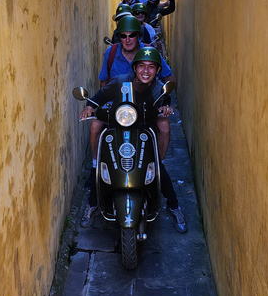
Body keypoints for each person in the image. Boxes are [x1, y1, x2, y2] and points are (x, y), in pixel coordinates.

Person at [79, 47, 187, 233]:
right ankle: (92, 204)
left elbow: (166, 99)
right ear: (134, 68)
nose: (146, 71)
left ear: (158, 70)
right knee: (104, 165)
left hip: (143, 131)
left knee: (157, 167)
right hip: (118, 129)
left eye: (151, 67)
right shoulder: (121, 81)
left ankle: (174, 205)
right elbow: (100, 97)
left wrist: (166, 108)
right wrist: (89, 107)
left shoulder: (157, 87)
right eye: (142, 66)